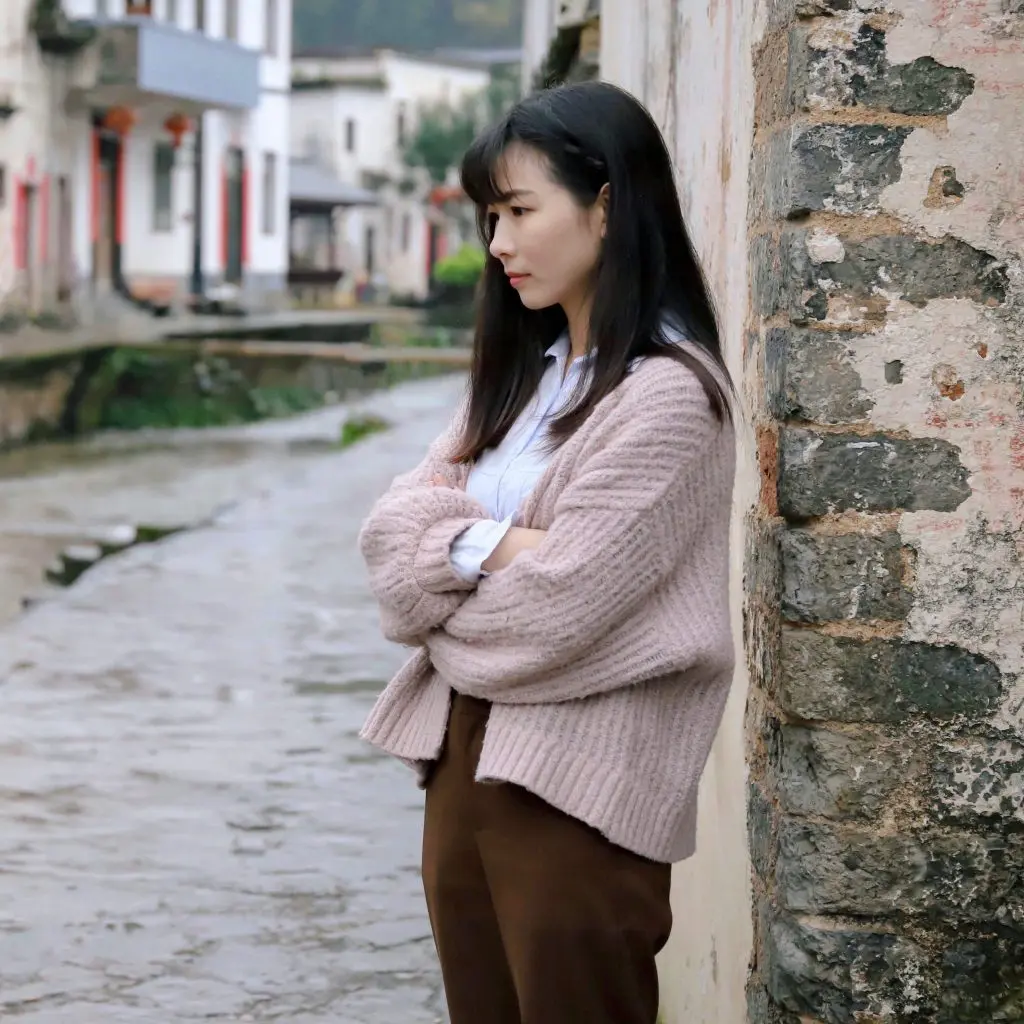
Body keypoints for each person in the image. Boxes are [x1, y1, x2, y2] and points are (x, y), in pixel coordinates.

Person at [358, 81, 736, 1024]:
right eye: (492, 216)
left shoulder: (668, 398)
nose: (498, 244)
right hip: (459, 762)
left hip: (578, 789)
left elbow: (554, 611)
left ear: (607, 204)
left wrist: (450, 563)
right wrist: (496, 546)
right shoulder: (518, 384)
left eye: (521, 210)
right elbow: (386, 548)